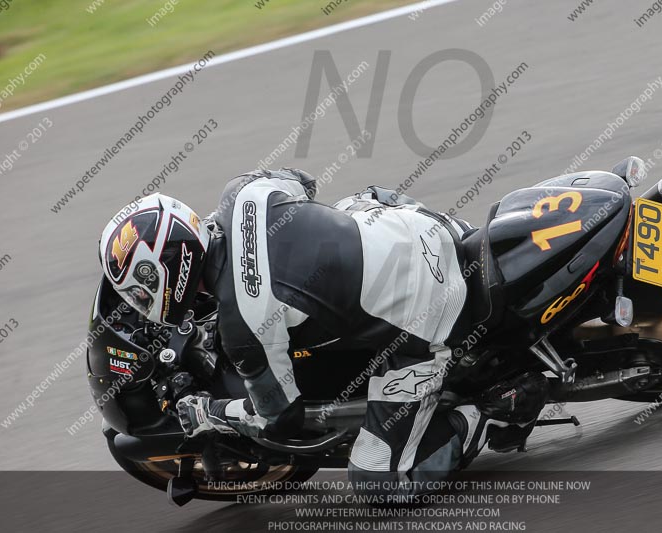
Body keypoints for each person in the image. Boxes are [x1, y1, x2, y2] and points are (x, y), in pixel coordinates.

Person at [98, 168, 547, 495]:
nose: (141, 303)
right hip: (423, 227)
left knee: (377, 484)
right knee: (354, 200)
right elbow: (304, 181)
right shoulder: (243, 193)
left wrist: (210, 412)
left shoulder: (244, 329)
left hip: (433, 312)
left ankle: (491, 410)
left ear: (169, 273)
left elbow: (280, 417)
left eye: (142, 292)